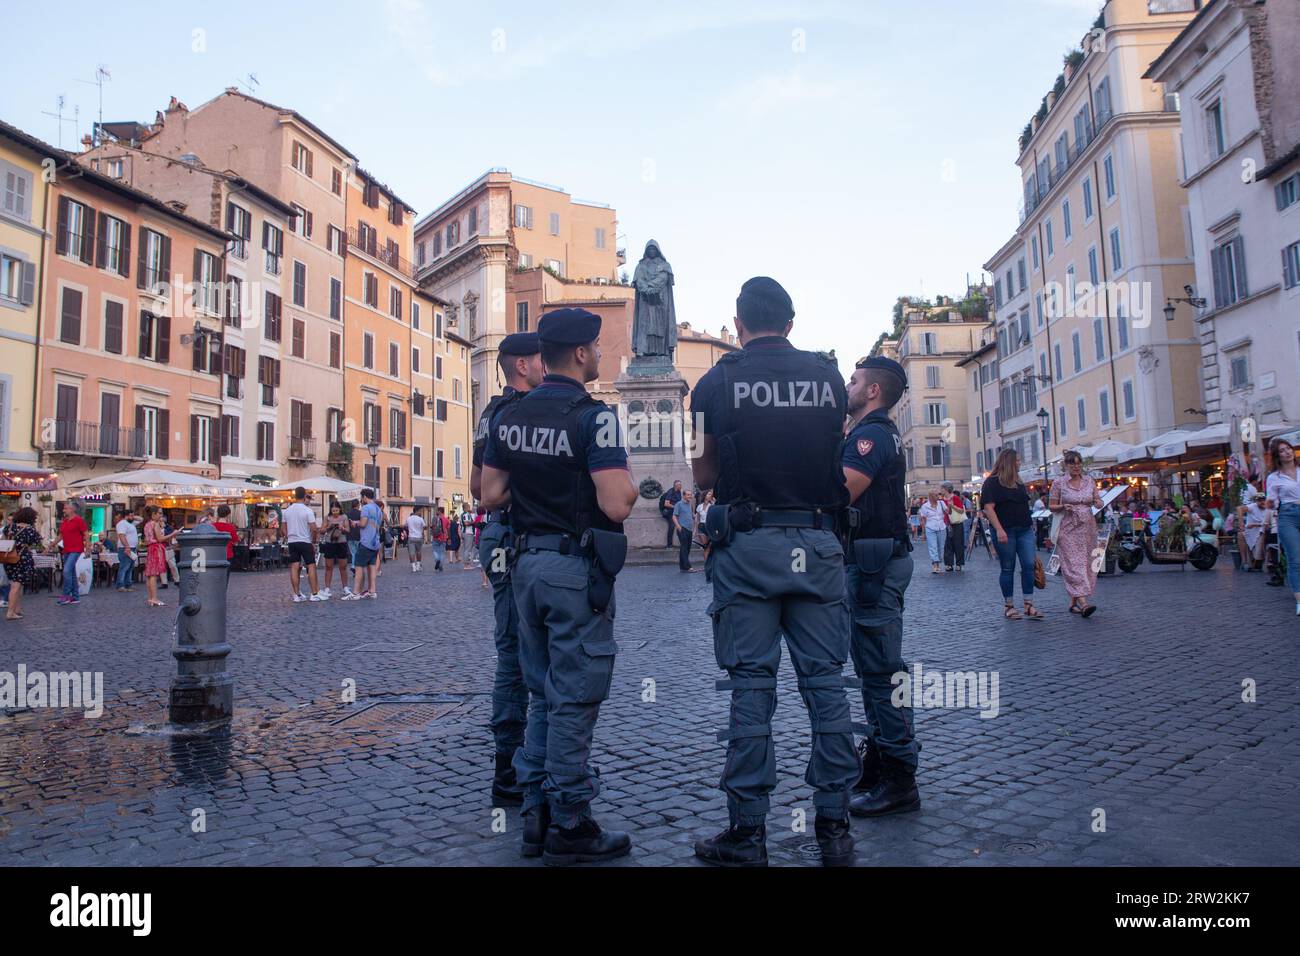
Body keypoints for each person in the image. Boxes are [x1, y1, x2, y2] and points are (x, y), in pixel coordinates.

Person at [689, 277, 859, 868]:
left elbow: (705, 475)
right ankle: (835, 827)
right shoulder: (829, 377)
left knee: (751, 690)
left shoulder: (714, 383)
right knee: (826, 686)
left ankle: (748, 832)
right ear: (790, 322)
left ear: (738, 324)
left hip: (749, 546)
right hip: (817, 542)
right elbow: (834, 452)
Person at [480, 307, 637, 865]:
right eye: (595, 347)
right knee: (573, 694)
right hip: (573, 568)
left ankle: (535, 809)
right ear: (577, 354)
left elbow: (490, 494)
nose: (599, 355)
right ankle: (571, 819)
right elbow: (616, 501)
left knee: (541, 688)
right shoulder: (593, 418)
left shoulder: (509, 416)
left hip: (525, 567)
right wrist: (630, 486)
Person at [841, 356, 920, 819]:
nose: (847, 386)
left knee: (882, 671)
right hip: (873, 562)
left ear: (873, 391)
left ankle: (899, 775)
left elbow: (842, 489)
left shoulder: (870, 436)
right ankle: (882, 759)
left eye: (853, 381)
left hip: (874, 566)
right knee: (878, 668)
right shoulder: (870, 432)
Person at [470, 330, 544, 805]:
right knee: (528, 657)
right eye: (540, 359)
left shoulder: (489, 414)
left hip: (497, 534)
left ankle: (509, 765)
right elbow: (488, 490)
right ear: (522, 365)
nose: (545, 365)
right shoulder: (527, 412)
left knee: (510, 654)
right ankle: (525, 766)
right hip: (522, 534)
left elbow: (479, 483)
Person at [982, 449, 1042, 620]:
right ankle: (1009, 606)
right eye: (1017, 460)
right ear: (1008, 462)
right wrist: (999, 529)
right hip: (1005, 530)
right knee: (1008, 567)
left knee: (1029, 564)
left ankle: (1028, 604)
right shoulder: (992, 483)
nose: (1019, 463)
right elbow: (989, 508)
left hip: (1024, 528)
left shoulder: (1019, 482)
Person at [1049, 450, 1104, 617]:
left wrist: (1098, 502)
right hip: (1067, 528)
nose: (1076, 466)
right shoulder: (1059, 483)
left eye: (1079, 463)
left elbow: (1098, 501)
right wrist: (1063, 506)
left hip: (1087, 528)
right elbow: (1051, 506)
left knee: (1086, 563)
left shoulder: (1089, 481)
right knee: (1073, 564)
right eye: (1073, 463)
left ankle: (1073, 603)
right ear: (1066, 465)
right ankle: (1084, 603)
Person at [1263, 437, 1300, 616]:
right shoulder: (1274, 478)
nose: (1287, 452)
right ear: (1278, 457)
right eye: (1283, 451)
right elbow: (1272, 500)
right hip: (1288, 515)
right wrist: (1270, 503)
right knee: (1295, 559)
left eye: (1289, 449)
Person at [281, 487, 324, 602]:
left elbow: (283, 528)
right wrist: (314, 542)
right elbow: (314, 529)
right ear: (305, 496)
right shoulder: (307, 511)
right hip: (305, 541)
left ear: (294, 496)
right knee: (311, 565)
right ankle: (314, 593)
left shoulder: (287, 510)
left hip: (292, 541)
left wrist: (288, 536)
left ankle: (296, 594)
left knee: (295, 567)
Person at [343, 488, 384, 600]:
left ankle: (356, 592)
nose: (361, 499)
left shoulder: (365, 508)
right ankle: (372, 591)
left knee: (359, 566)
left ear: (365, 497)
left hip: (366, 542)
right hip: (375, 542)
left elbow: (363, 524)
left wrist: (355, 523)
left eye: (362, 497)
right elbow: (375, 524)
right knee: (372, 567)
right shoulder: (378, 509)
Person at [3, 508, 42, 621]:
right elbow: (37, 545)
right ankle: (10, 612)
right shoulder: (30, 530)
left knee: (17, 585)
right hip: (22, 558)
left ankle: (17, 609)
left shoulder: (10, 527)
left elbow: (5, 539)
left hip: (9, 558)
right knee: (16, 586)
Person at [55, 500, 89, 606]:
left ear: (72, 509)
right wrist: (51, 545)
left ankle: (66, 596)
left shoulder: (78, 520)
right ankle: (75, 596)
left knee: (66, 571)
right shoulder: (65, 521)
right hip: (67, 549)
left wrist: (87, 547)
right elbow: (60, 535)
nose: (63, 510)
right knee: (72, 573)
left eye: (66, 508)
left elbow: (86, 534)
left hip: (76, 549)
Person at [143, 507, 177, 607]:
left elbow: (148, 538)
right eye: (160, 513)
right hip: (156, 548)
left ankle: (150, 598)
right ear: (153, 514)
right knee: (153, 574)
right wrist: (173, 534)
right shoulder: (155, 524)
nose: (161, 516)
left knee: (150, 574)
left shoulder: (147, 524)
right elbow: (160, 538)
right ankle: (154, 598)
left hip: (150, 548)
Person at [320, 502, 351, 595]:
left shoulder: (344, 517)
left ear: (340, 509)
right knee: (329, 567)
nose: (335, 512)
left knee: (343, 567)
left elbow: (348, 530)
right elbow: (321, 530)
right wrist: (329, 527)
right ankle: (327, 588)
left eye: (336, 510)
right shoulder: (327, 517)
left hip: (341, 542)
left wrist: (342, 528)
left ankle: (345, 587)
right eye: (333, 510)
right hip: (330, 542)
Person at [918, 489, 948, 574]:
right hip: (930, 528)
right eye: (935, 495)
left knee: (941, 547)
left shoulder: (941, 503)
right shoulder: (925, 506)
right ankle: (935, 565)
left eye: (938, 495)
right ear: (931, 496)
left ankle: (938, 562)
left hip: (941, 527)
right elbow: (923, 519)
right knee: (933, 546)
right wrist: (923, 532)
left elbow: (948, 512)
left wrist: (949, 506)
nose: (938, 496)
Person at [212, 505, 240, 584]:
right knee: (225, 578)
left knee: (214, 576)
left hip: (214, 554)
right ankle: (222, 594)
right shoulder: (231, 527)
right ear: (228, 514)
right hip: (227, 554)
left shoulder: (213, 526)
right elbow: (235, 540)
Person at [942, 481, 966, 571]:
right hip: (946, 524)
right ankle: (949, 564)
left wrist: (952, 506)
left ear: (946, 489)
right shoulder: (942, 500)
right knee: (948, 544)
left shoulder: (955, 498)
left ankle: (959, 564)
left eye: (942, 488)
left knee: (958, 543)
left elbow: (961, 511)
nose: (941, 490)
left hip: (957, 523)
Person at [114, 509, 139, 592]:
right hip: (125, 548)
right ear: (126, 516)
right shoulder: (122, 524)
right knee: (124, 566)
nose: (133, 517)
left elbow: (141, 519)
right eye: (131, 515)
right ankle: (120, 585)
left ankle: (128, 584)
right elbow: (122, 536)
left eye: (133, 515)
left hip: (132, 548)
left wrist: (133, 516)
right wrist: (127, 546)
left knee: (130, 567)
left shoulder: (131, 523)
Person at [672, 491, 697, 572]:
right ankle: (687, 566)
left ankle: (682, 566)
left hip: (689, 529)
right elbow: (674, 517)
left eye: (691, 495)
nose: (690, 496)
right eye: (688, 495)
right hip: (683, 528)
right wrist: (679, 527)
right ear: (684, 495)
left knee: (687, 548)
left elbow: (691, 514)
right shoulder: (678, 504)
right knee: (684, 548)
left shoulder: (690, 504)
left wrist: (694, 516)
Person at [658, 480, 683, 548]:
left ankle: (683, 543)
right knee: (672, 527)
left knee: (679, 527)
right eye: (680, 485)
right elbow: (666, 504)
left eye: (681, 485)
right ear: (676, 485)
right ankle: (669, 545)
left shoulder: (679, 492)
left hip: (675, 512)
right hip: (669, 512)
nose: (681, 486)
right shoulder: (670, 492)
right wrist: (675, 507)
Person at [430, 507, 449, 571]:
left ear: (439, 511)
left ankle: (437, 559)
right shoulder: (446, 519)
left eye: (437, 511)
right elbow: (448, 528)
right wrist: (449, 537)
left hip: (435, 537)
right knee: (442, 552)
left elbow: (432, 527)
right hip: (443, 537)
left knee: (435, 550)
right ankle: (440, 565)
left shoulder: (435, 518)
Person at [346, 500, 362, 569]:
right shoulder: (360, 513)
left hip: (349, 535)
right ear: (358, 505)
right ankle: (354, 566)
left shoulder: (347, 513)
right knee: (357, 552)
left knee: (353, 552)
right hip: (358, 535)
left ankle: (354, 566)